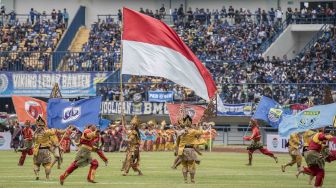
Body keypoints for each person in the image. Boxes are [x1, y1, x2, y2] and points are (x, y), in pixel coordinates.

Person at [177, 115, 204, 184]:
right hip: (190, 150)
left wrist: (177, 149)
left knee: (184, 165)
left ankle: (185, 180)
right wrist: (200, 125)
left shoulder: (180, 132)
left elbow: (177, 141)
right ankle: (192, 180)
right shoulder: (193, 131)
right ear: (191, 123)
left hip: (182, 150)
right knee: (191, 165)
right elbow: (201, 132)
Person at [33, 116, 57, 180]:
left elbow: (34, 139)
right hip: (45, 150)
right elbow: (53, 132)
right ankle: (47, 177)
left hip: (37, 150)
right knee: (47, 165)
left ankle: (37, 175)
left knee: (36, 164)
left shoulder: (35, 133)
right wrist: (53, 128)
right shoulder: (46, 132)